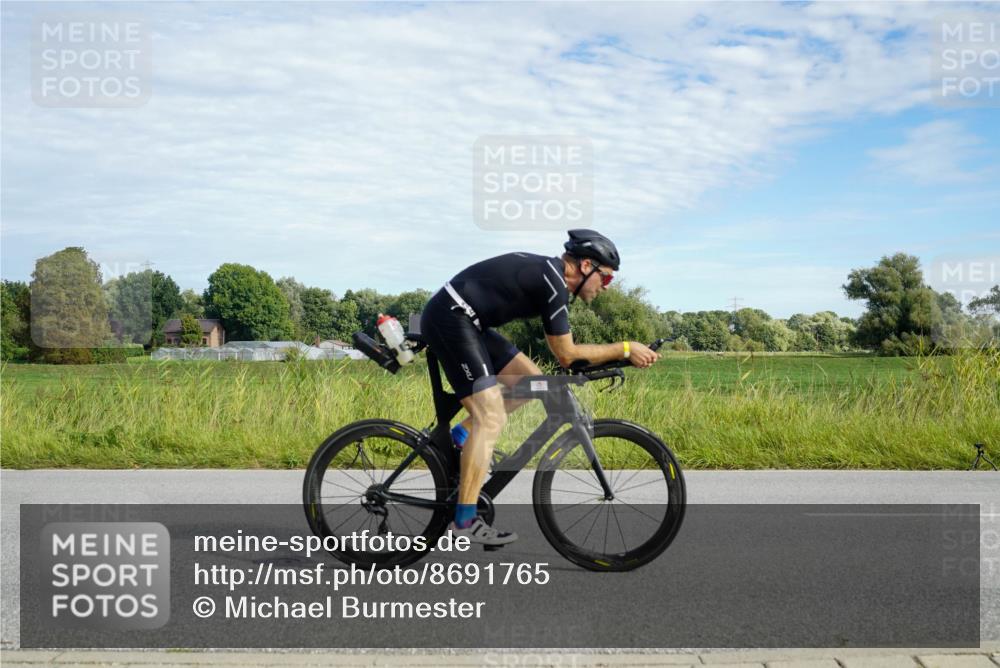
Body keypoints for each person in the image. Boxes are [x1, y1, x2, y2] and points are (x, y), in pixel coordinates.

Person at [419, 229, 660, 545]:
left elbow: (566, 360)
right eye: (606, 279)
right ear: (586, 266)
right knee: (491, 416)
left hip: (470, 321)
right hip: (450, 318)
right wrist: (625, 349)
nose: (606, 288)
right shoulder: (552, 283)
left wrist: (621, 357)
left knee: (534, 382)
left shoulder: (551, 279)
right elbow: (568, 355)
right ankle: (463, 521)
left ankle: (461, 436)